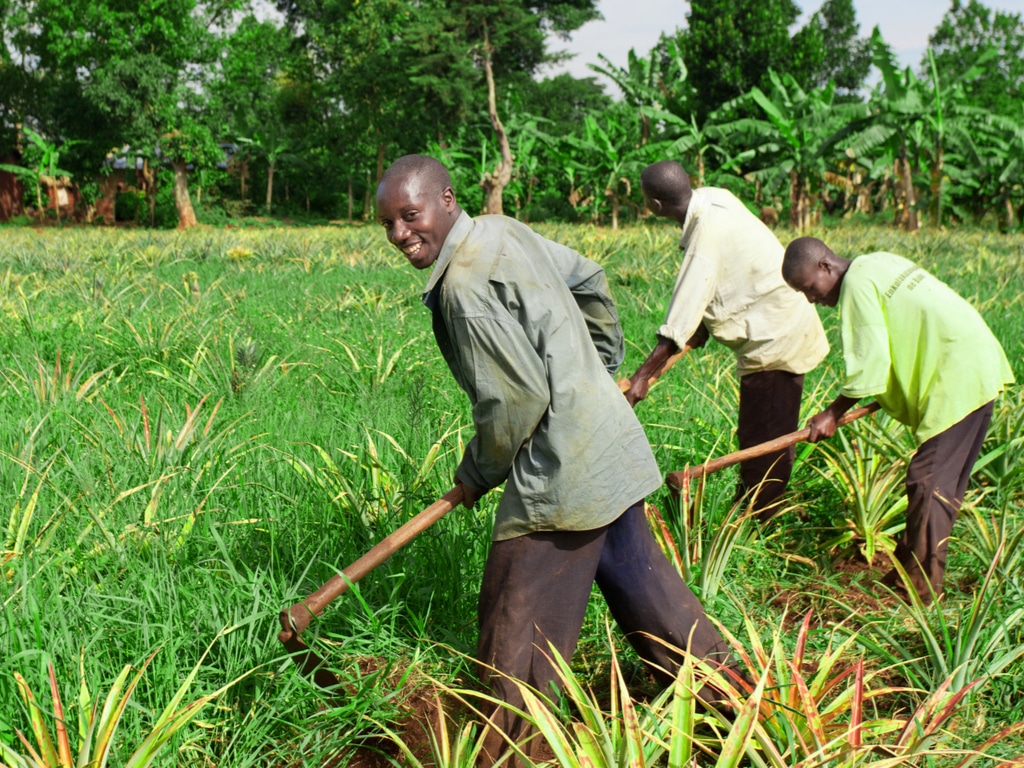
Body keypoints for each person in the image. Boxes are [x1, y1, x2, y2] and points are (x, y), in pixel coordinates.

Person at [376, 154, 731, 765]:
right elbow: (589, 278)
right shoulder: (501, 230)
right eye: (388, 224)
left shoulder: (462, 287)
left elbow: (516, 399)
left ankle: (512, 756)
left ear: (447, 199)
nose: (401, 234)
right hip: (607, 446)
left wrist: (477, 472)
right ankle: (747, 708)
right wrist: (593, 371)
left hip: (562, 471)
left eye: (410, 216)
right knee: (657, 604)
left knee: (517, 636)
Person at [781, 237, 1014, 605]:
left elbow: (871, 364)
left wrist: (832, 413)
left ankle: (920, 595)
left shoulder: (856, 287)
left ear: (825, 266)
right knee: (939, 486)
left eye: (809, 288)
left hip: (957, 375)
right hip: (974, 359)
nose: (812, 300)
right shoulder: (876, 261)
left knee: (928, 481)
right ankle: (905, 572)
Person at [625, 161, 829, 521]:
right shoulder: (713, 198)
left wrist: (640, 380)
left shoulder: (705, 235)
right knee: (762, 430)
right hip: (776, 326)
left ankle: (758, 519)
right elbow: (724, 283)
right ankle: (756, 508)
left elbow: (682, 317)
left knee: (764, 436)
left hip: (776, 339)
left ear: (654, 206)